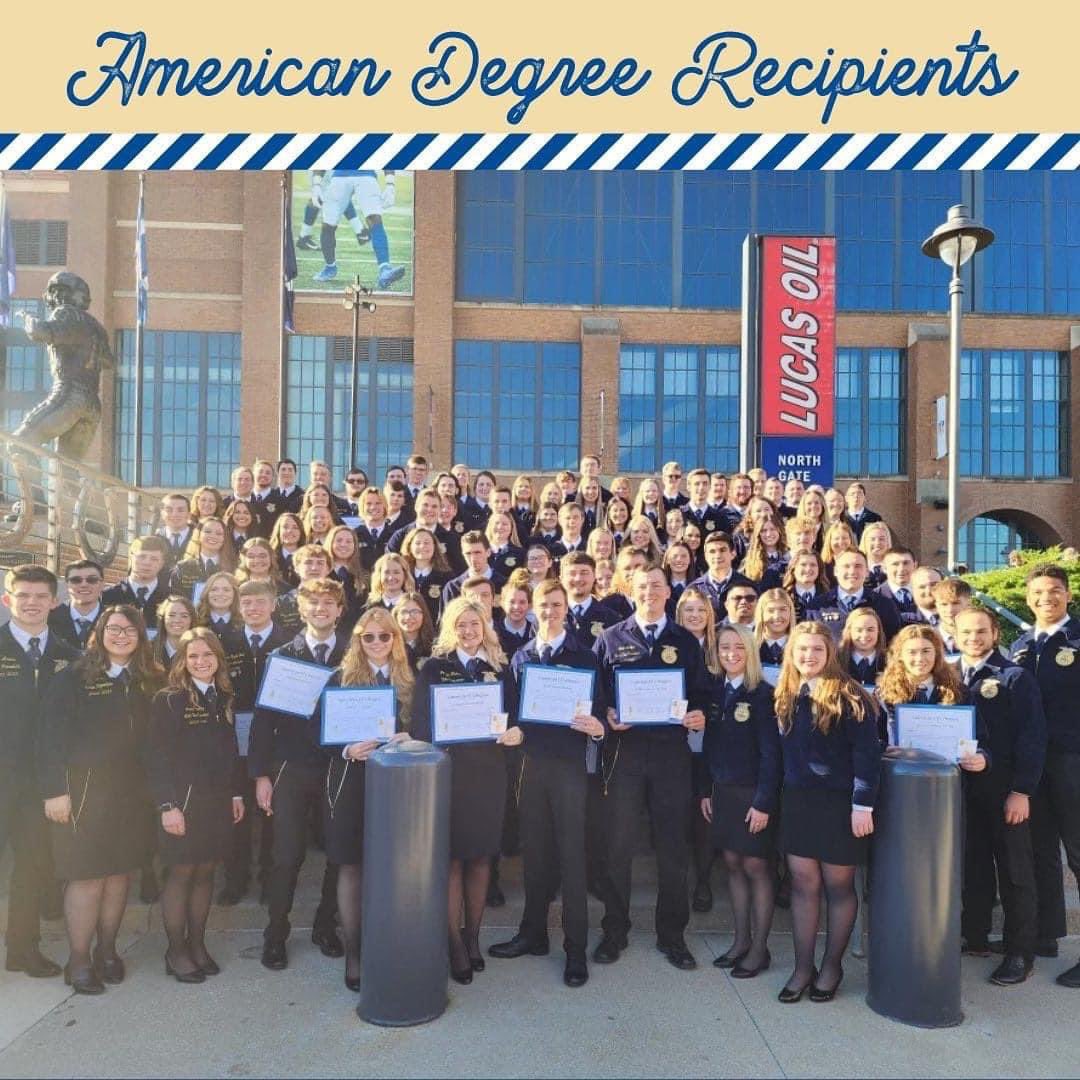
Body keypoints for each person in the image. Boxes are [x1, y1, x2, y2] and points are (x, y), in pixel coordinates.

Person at [40, 605, 162, 993]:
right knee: (87, 875)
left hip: (132, 793)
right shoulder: (74, 677)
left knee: (120, 873)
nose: (122, 635)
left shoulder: (149, 680)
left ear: (141, 637)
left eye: (130, 630)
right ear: (100, 631)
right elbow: (50, 738)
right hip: (84, 790)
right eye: (114, 628)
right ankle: (77, 958)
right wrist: (55, 791)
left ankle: (107, 950)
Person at [591, 566, 709, 971]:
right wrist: (606, 713)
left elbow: (704, 695)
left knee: (673, 847)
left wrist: (699, 715)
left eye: (657, 585)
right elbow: (596, 695)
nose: (650, 592)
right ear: (630, 591)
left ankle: (672, 936)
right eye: (642, 586)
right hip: (623, 755)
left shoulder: (686, 641)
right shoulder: (610, 638)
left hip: (671, 757)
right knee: (618, 845)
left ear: (668, 590)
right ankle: (614, 930)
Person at [490, 580, 605, 988]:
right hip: (531, 766)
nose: (551, 610)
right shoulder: (520, 657)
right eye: (545, 604)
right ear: (534, 609)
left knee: (571, 856)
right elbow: (514, 713)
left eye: (557, 604)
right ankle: (533, 933)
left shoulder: (585, 657)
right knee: (535, 853)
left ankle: (575, 950)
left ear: (566, 609)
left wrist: (598, 727)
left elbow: (601, 713)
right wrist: (513, 731)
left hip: (569, 768)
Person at [412, 598, 523, 984]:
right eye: (460, 625)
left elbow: (516, 716)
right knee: (452, 861)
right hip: (448, 773)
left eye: (474, 624)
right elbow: (421, 724)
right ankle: (453, 944)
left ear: (485, 628)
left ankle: (472, 937)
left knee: (480, 859)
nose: (468, 631)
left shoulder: (499, 668)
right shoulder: (434, 668)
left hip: (488, 775)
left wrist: (516, 732)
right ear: (450, 629)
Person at [773, 621, 880, 1003]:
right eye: (802, 649)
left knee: (838, 887)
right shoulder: (786, 692)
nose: (809, 656)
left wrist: (862, 803)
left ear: (830, 653)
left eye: (817, 649)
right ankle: (803, 967)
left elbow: (867, 756)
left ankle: (832, 965)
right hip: (799, 803)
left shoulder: (851, 696)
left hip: (840, 806)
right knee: (803, 885)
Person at [249, 579, 346, 971]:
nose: (321, 608)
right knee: (286, 856)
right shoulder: (282, 656)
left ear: (340, 610)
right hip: (290, 768)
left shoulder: (353, 654)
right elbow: (262, 721)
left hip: (339, 768)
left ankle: (326, 925)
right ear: (301, 610)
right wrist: (260, 775)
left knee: (338, 854)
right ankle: (276, 933)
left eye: (329, 603)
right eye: (313, 603)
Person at [954, 607, 1045, 986]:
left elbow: (1031, 738)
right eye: (966, 632)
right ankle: (975, 937)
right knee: (974, 868)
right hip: (962, 794)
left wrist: (1021, 791)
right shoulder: (949, 675)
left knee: (1014, 873)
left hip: (1005, 791)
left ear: (995, 634)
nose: (973, 638)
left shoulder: (1014, 677)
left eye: (981, 632)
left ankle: (1020, 952)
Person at [324, 608, 413, 990]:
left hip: (399, 785)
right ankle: (355, 953)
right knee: (351, 866)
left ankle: (393, 947)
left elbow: (429, 726)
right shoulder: (340, 678)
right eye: (368, 637)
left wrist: (410, 737)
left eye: (385, 636)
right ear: (357, 641)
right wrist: (346, 750)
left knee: (395, 868)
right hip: (353, 781)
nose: (377, 643)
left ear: (396, 639)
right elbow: (318, 735)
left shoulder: (412, 679)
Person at [148, 628, 245, 983]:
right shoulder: (169, 699)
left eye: (208, 655)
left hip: (217, 800)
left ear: (218, 658)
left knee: (206, 872)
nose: (201, 662)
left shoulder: (222, 696)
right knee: (181, 873)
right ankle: (175, 950)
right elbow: (155, 757)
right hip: (182, 802)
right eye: (193, 657)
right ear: (183, 661)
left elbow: (230, 751)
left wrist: (235, 794)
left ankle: (198, 945)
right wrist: (167, 805)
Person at [1, 566, 80, 979]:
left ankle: (22, 949)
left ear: (55, 602)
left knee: (32, 866)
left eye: (40, 596)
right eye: (22, 594)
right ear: (7, 599)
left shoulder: (70, 656)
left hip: (39, 785)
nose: (31, 602)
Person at [1009, 563, 1080, 986]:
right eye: (1037, 593)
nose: (1045, 599)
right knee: (1041, 853)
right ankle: (1047, 934)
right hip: (1033, 767)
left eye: (1054, 591)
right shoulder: (1020, 645)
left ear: (1068, 595)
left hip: (1072, 761)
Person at [699, 624, 781, 978]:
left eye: (738, 647)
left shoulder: (762, 694)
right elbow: (708, 746)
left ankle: (760, 949)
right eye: (724, 648)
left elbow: (771, 756)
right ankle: (740, 941)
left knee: (756, 868)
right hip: (723, 793)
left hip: (752, 795)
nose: (731, 653)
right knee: (732, 864)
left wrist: (763, 802)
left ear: (750, 651)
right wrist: (706, 790)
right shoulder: (716, 691)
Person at [217, 580, 289, 905]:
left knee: (274, 811)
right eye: (246, 603)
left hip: (278, 739)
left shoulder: (289, 642)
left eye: (260, 602)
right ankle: (236, 877)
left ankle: (269, 877)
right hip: (235, 736)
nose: (253, 609)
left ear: (273, 605)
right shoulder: (226, 643)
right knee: (238, 809)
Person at [809, 549, 901, 643]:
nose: (852, 571)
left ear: (867, 572)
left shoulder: (885, 605)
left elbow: (893, 644)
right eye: (846, 566)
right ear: (836, 571)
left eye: (858, 566)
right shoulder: (817, 606)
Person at [102, 536, 171, 633]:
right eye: (142, 556)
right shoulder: (107, 596)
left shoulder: (171, 599)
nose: (147, 563)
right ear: (131, 557)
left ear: (162, 563)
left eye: (154, 559)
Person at [690, 531, 756, 621]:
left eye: (722, 550)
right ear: (705, 556)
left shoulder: (749, 587)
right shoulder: (695, 588)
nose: (717, 555)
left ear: (733, 553)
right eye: (712, 551)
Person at [169, 517, 234, 603]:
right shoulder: (182, 568)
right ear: (198, 535)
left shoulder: (234, 568)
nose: (213, 536)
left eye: (219, 533)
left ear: (224, 538)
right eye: (207, 532)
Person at [49, 559, 105, 649]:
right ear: (67, 584)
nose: (84, 584)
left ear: (102, 584)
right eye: (76, 580)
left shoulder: (115, 619)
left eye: (92, 579)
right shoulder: (49, 619)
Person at [401, 526, 453, 623]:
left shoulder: (446, 576)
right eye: (417, 543)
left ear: (434, 546)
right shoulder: (402, 575)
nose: (422, 546)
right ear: (409, 547)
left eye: (427, 543)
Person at [754, 588, 796, 669]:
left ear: (790, 612)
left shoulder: (799, 646)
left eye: (783, 609)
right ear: (761, 613)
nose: (777, 616)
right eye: (770, 610)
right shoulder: (750, 647)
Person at [392, 591, 436, 669]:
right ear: (396, 615)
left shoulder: (436, 646)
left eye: (415, 611)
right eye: (404, 612)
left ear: (424, 615)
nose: (408, 617)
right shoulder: (387, 645)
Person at [153, 595, 196, 669]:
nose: (177, 620)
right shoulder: (148, 649)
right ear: (163, 619)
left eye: (184, 616)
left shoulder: (199, 651)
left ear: (191, 620)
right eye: (171, 615)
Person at [268, 512, 305, 587]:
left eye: (295, 527)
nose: (290, 531)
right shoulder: (268, 556)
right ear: (278, 531)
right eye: (285, 527)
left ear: (301, 532)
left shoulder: (307, 557)